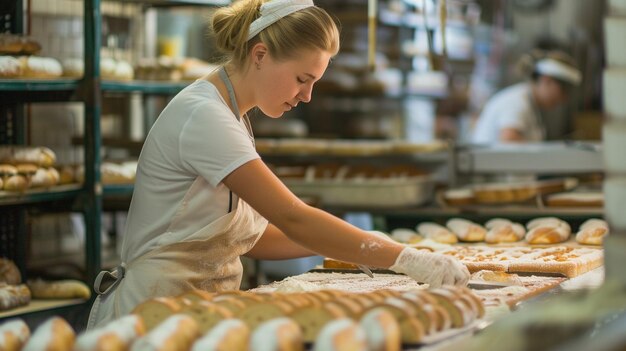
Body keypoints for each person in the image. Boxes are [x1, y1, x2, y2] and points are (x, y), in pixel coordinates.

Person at [87, 0, 469, 329]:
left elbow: (253, 238)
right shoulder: (203, 116)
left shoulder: (232, 114)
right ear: (260, 54)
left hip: (191, 312)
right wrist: (402, 257)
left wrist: (373, 249)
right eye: (302, 79)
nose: (306, 96)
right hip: (151, 316)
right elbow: (295, 218)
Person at [472, 50, 581, 144]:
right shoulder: (516, 102)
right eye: (563, 90)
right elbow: (509, 140)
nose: (564, 98)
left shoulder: (530, 103)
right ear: (546, 80)